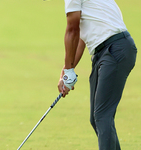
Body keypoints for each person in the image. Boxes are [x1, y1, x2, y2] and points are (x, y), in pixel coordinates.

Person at [57, 0, 137, 150]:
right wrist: (67, 69)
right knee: (96, 118)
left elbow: (72, 30)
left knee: (102, 115)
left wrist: (68, 70)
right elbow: (81, 36)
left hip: (115, 48)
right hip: (106, 51)